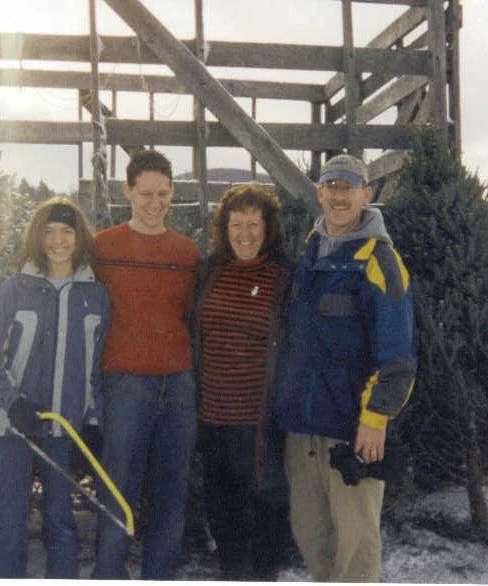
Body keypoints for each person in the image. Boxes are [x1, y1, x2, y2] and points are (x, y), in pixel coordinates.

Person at [273, 153, 417, 582]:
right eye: (331, 187)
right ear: (320, 194)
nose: (339, 196)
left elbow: (398, 355)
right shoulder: (311, 254)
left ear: (366, 195)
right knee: (313, 539)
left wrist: (375, 420)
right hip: (303, 431)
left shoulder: (380, 260)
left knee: (355, 550)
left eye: (348, 187)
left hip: (351, 434)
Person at [0, 197, 110, 578]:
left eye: (67, 231)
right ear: (37, 236)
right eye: (49, 231)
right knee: (12, 523)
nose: (58, 240)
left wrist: (93, 420)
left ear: (79, 237)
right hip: (11, 425)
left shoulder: (95, 296)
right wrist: (12, 403)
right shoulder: (16, 289)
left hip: (62, 428)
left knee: (60, 520)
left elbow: (96, 370)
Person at [91, 149, 200, 580]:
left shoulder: (187, 253)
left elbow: (192, 318)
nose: (155, 203)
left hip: (178, 385)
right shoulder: (103, 248)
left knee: (172, 492)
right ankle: (109, 573)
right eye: (145, 194)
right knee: (118, 488)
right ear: (128, 192)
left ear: (173, 193)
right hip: (125, 384)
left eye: (163, 194)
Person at [192, 183, 293, 580]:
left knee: (265, 513)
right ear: (224, 227)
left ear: (268, 228)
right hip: (212, 417)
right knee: (222, 513)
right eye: (237, 224)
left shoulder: (283, 277)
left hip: (258, 423)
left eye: (254, 224)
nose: (245, 234)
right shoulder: (210, 272)